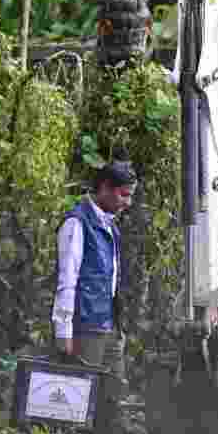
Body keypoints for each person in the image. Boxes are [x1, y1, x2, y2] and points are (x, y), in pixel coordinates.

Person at [51, 160, 137, 389]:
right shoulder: (77, 223)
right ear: (105, 187)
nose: (128, 203)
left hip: (109, 323)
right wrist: (63, 331)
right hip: (85, 324)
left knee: (114, 392)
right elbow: (67, 281)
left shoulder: (110, 226)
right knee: (81, 395)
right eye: (124, 195)